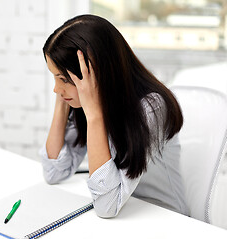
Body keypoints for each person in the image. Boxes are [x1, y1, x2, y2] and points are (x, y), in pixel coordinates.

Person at [39, 14, 189, 218]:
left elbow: (106, 208)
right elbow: (53, 172)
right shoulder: (88, 101)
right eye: (55, 78)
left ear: (99, 74)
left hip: (163, 216)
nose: (56, 88)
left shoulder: (151, 107)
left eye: (64, 79)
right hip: (124, 213)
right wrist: (62, 100)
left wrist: (94, 117)